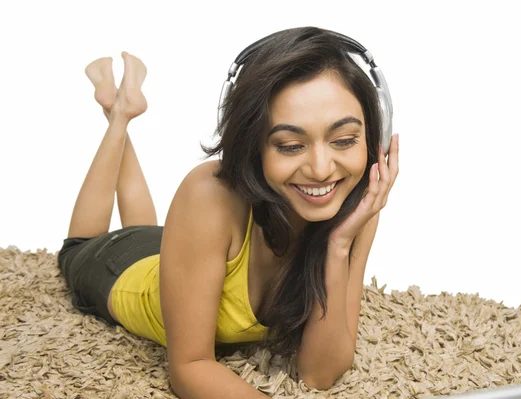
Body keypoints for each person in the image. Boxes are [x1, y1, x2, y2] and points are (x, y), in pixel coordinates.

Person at [57, 26, 399, 398]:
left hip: (182, 248)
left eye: (344, 140)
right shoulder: (209, 194)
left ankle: (119, 109)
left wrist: (339, 245)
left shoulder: (358, 205)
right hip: (116, 265)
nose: (320, 169)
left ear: (374, 140)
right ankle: (119, 115)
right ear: (253, 146)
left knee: (147, 228)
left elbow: (320, 373)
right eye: (289, 145)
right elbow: (189, 368)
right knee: (79, 244)